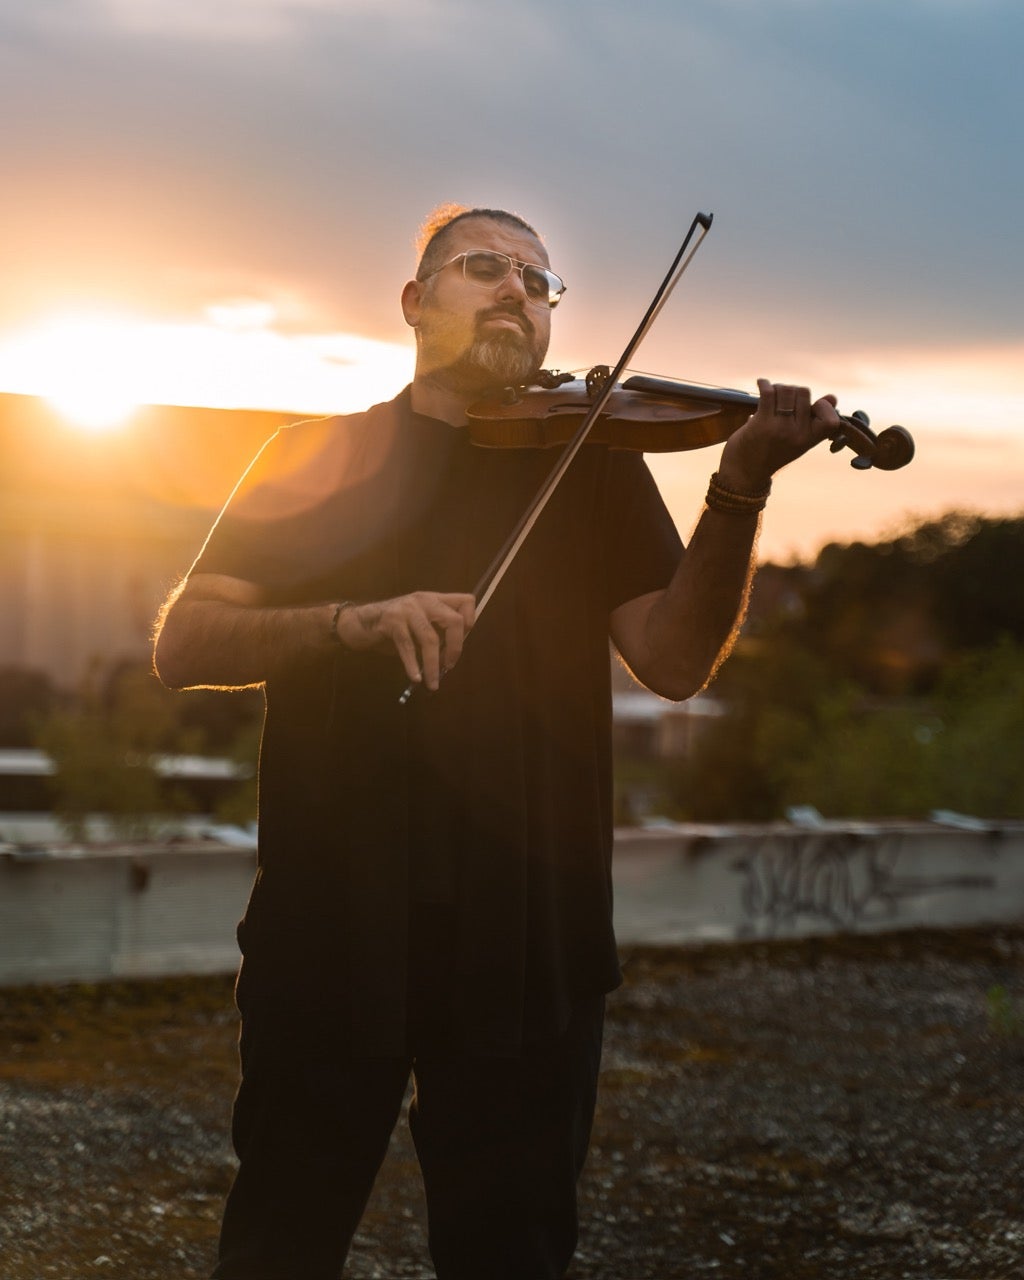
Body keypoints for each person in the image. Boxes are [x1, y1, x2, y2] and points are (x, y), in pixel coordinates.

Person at [153, 203, 840, 1280]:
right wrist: (350, 621)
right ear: (415, 301)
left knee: (513, 1251)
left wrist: (738, 486)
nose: (518, 287)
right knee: (281, 1237)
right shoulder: (314, 455)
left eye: (539, 278)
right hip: (332, 921)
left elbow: (672, 660)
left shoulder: (596, 461)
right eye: (483, 267)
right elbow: (183, 639)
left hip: (532, 934)